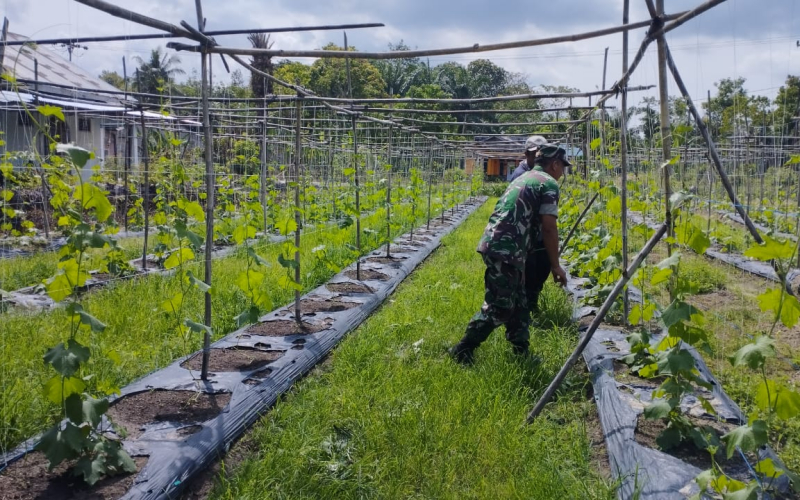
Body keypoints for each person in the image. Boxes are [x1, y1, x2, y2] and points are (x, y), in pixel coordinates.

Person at [449, 144, 572, 365]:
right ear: (555, 164)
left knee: (520, 302)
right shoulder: (549, 183)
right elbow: (549, 228)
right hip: (507, 249)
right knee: (500, 306)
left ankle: (521, 351)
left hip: (501, 245)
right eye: (562, 167)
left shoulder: (524, 177)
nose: (562, 172)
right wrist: (555, 265)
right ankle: (463, 349)